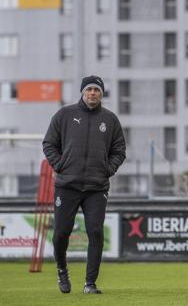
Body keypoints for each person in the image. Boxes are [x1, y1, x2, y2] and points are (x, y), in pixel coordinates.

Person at [42, 75, 126, 294]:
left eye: (96, 90)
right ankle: (62, 269)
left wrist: (107, 170)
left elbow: (119, 151)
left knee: (96, 232)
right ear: (82, 92)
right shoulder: (64, 114)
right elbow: (49, 144)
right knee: (61, 233)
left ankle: (90, 283)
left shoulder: (110, 120)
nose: (92, 93)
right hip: (67, 185)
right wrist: (60, 165)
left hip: (96, 188)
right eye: (89, 89)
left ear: (101, 94)